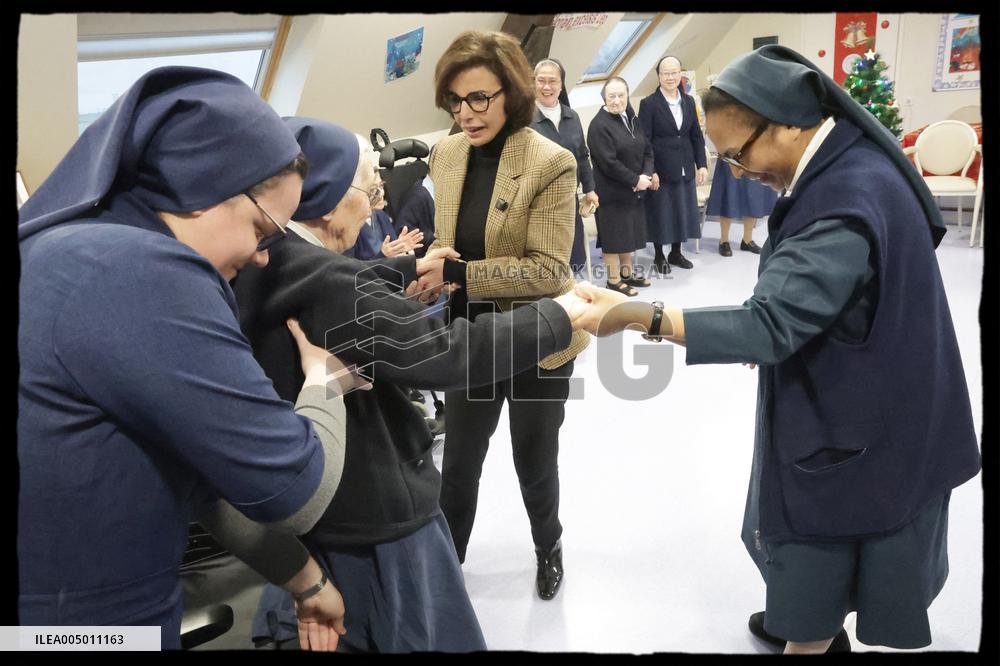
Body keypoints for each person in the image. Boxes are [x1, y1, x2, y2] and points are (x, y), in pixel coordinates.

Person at [570, 45, 981, 654]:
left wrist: (632, 313)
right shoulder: (857, 161)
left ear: (787, 121)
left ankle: (811, 632)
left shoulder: (841, 204)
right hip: (883, 386)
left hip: (861, 420)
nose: (737, 171)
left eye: (739, 154)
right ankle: (809, 616)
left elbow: (768, 326)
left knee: (824, 531)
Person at [17, 67, 356, 650]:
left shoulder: (67, 251)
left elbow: (196, 479)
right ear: (205, 183)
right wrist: (324, 384)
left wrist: (303, 578)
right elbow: (296, 489)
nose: (261, 257)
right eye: (262, 229)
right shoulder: (142, 274)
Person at [232, 117, 597, 650]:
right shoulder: (329, 284)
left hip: (310, 509)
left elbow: (347, 292)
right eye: (369, 190)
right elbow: (445, 354)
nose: (377, 204)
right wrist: (560, 316)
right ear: (329, 201)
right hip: (372, 518)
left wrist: (402, 271)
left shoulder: (267, 256)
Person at [423, 29, 590, 601]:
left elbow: (547, 271)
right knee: (459, 466)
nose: (465, 114)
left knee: (534, 460)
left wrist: (460, 274)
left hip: (537, 341)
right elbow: (451, 241)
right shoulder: (445, 154)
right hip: (470, 338)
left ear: (511, 93)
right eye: (454, 100)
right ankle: (449, 568)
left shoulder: (551, 161)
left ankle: (549, 546)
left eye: (479, 98)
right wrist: (431, 269)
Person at [586, 75, 655, 296]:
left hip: (633, 190)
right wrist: (636, 180)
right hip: (611, 193)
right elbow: (609, 163)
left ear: (627, 95)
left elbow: (647, 149)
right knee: (614, 238)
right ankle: (613, 281)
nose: (616, 100)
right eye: (611, 96)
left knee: (628, 235)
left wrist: (645, 174)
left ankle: (627, 274)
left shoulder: (631, 117)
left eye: (621, 95)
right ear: (604, 98)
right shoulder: (599, 125)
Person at [530, 57, 599, 276]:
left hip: (570, 200)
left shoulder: (572, 116)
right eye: (541, 81)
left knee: (573, 257)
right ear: (533, 83)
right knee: (548, 261)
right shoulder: (524, 120)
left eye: (553, 81)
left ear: (561, 85)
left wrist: (590, 189)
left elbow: (582, 154)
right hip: (539, 203)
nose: (547, 87)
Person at [639, 55, 708, 273]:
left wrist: (702, 164)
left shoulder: (688, 101)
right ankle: (659, 255)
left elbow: (696, 135)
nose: (670, 77)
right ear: (658, 76)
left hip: (685, 166)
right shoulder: (649, 104)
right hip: (661, 170)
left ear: (681, 74)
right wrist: (652, 171)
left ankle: (676, 253)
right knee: (660, 213)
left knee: (681, 211)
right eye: (665, 73)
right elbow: (644, 141)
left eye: (674, 73)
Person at [705, 156, 776, 256]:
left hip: (754, 155)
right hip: (730, 154)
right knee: (728, 194)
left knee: (753, 195)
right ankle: (724, 240)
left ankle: (747, 240)